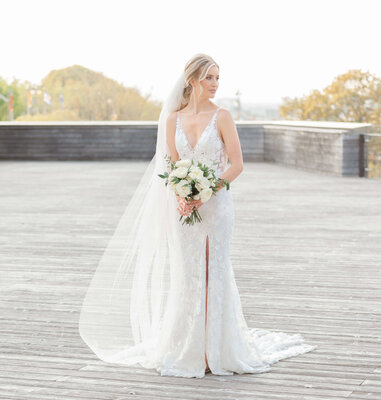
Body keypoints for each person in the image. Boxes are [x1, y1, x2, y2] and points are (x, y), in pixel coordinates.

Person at [79, 53, 317, 379]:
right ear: (192, 80)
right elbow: (172, 167)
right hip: (185, 211)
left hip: (216, 208)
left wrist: (206, 192)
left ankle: (214, 351)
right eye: (209, 78)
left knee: (213, 274)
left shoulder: (223, 117)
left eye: (218, 78)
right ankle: (187, 347)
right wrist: (182, 197)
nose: (215, 84)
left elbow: (237, 164)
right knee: (187, 274)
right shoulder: (171, 120)